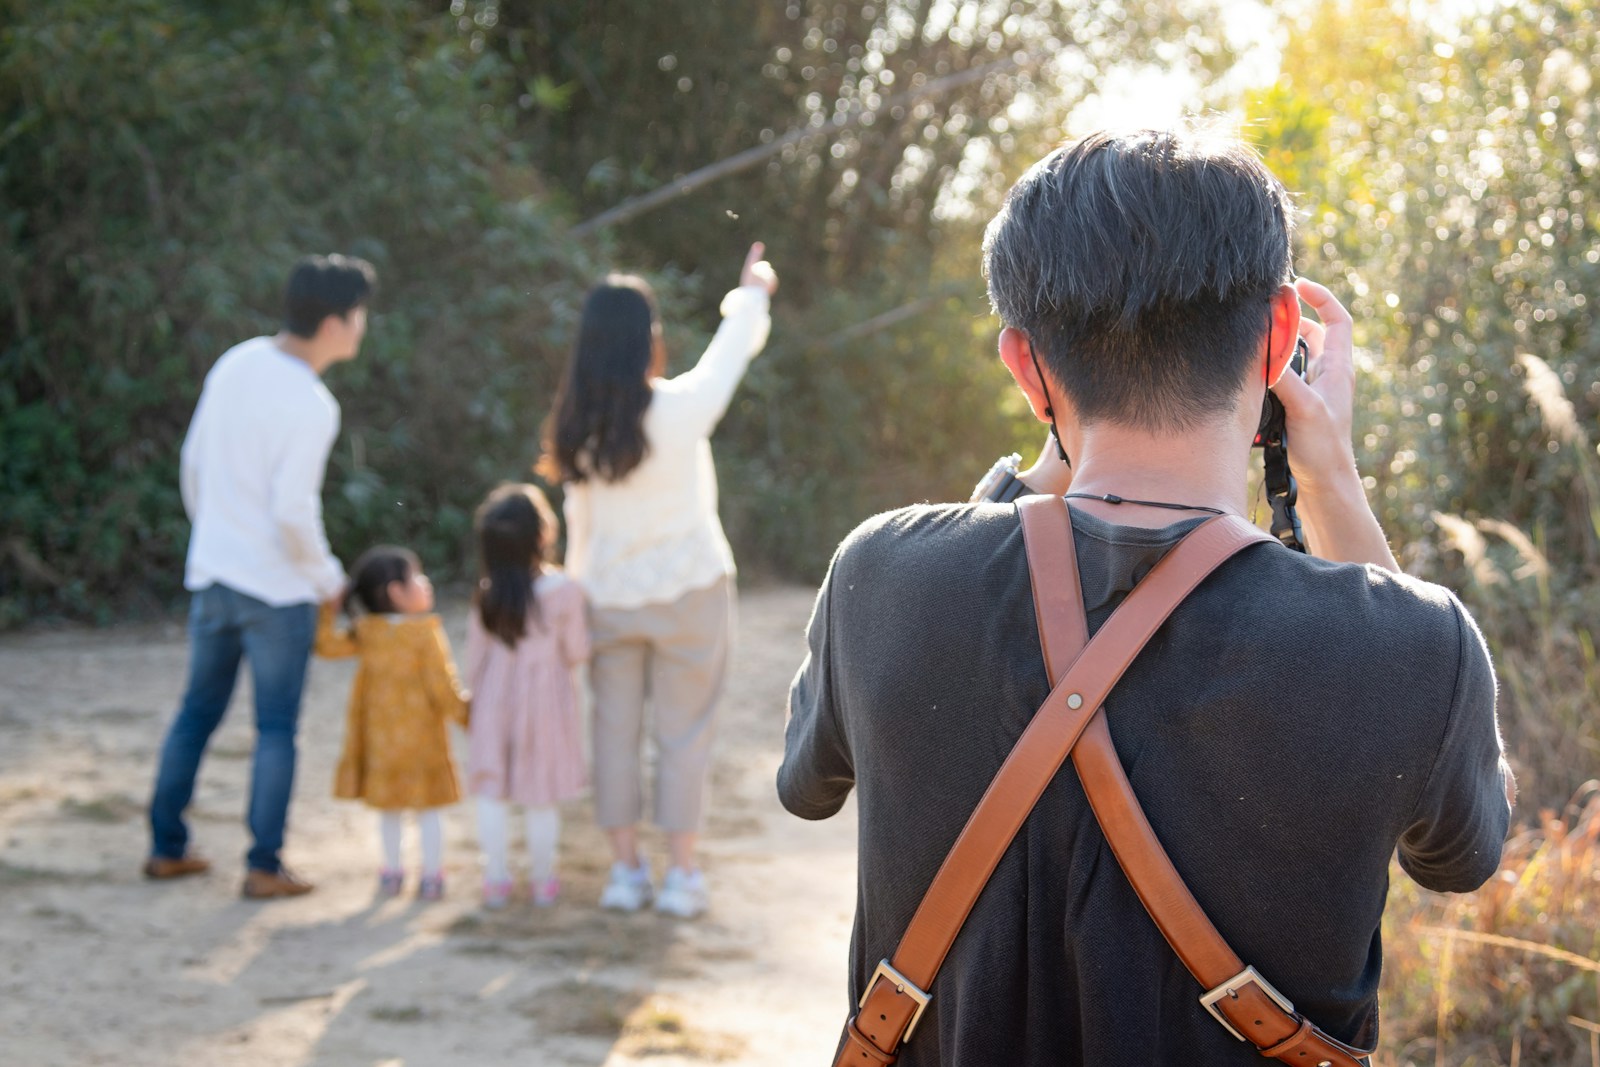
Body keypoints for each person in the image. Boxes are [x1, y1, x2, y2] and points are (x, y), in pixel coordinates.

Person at [779, 128, 1515, 1065]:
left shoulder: (879, 573)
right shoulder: (1415, 643)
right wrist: (1331, 482)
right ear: (1281, 340)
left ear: (1021, 364)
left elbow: (807, 785)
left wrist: (1044, 466)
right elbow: (1462, 855)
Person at [539, 243, 778, 918]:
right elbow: (732, 351)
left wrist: (577, 599)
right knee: (683, 735)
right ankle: (681, 876)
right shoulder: (681, 409)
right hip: (691, 591)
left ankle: (624, 872)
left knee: (612, 732)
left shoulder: (577, 431)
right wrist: (752, 289)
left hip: (608, 600)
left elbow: (578, 527)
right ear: (650, 339)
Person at [147, 254, 375, 899]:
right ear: (334, 322)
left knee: (197, 714)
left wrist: (215, 533)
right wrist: (329, 576)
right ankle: (264, 864)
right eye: (359, 315)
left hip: (214, 572)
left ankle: (167, 846)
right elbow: (292, 512)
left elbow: (193, 463)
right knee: (276, 728)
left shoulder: (237, 361)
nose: (362, 327)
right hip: (277, 591)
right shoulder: (311, 403)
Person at [315, 545, 469, 901]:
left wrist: (329, 609)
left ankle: (391, 873)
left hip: (381, 745)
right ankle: (432, 876)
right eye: (417, 576)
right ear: (396, 592)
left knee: (389, 812)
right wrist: (471, 717)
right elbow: (444, 689)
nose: (426, 583)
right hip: (423, 745)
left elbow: (326, 646)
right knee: (429, 812)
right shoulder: (425, 634)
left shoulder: (368, 632)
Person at [464, 483, 590, 909]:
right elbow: (577, 653)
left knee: (492, 790)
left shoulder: (487, 592)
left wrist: (470, 704)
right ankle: (542, 882)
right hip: (545, 708)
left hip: (492, 702)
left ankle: (495, 879)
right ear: (542, 535)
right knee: (540, 796)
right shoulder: (564, 592)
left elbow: (473, 660)